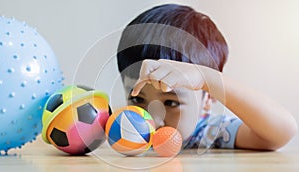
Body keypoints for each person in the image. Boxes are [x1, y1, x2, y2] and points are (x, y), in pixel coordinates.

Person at [116, 4, 297, 150]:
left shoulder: (209, 133)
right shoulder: (125, 129)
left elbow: (283, 132)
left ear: (207, 100)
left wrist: (207, 79)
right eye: (137, 99)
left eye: (171, 103)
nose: (154, 120)